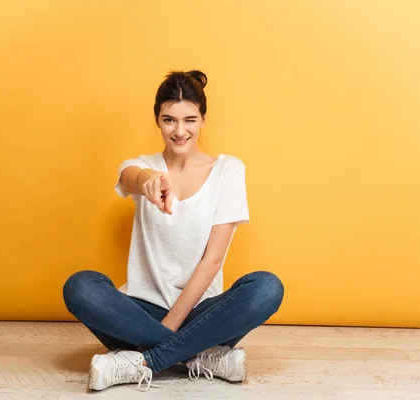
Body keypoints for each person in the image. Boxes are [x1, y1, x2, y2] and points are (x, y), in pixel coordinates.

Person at [62, 70, 284, 392]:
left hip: (203, 313)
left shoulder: (228, 170)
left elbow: (213, 259)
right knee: (80, 286)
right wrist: (146, 180)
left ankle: (142, 362)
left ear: (203, 120)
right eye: (169, 120)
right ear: (157, 120)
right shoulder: (142, 166)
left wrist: (169, 328)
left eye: (190, 120)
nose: (180, 131)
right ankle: (202, 355)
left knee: (266, 288)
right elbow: (129, 177)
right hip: (141, 310)